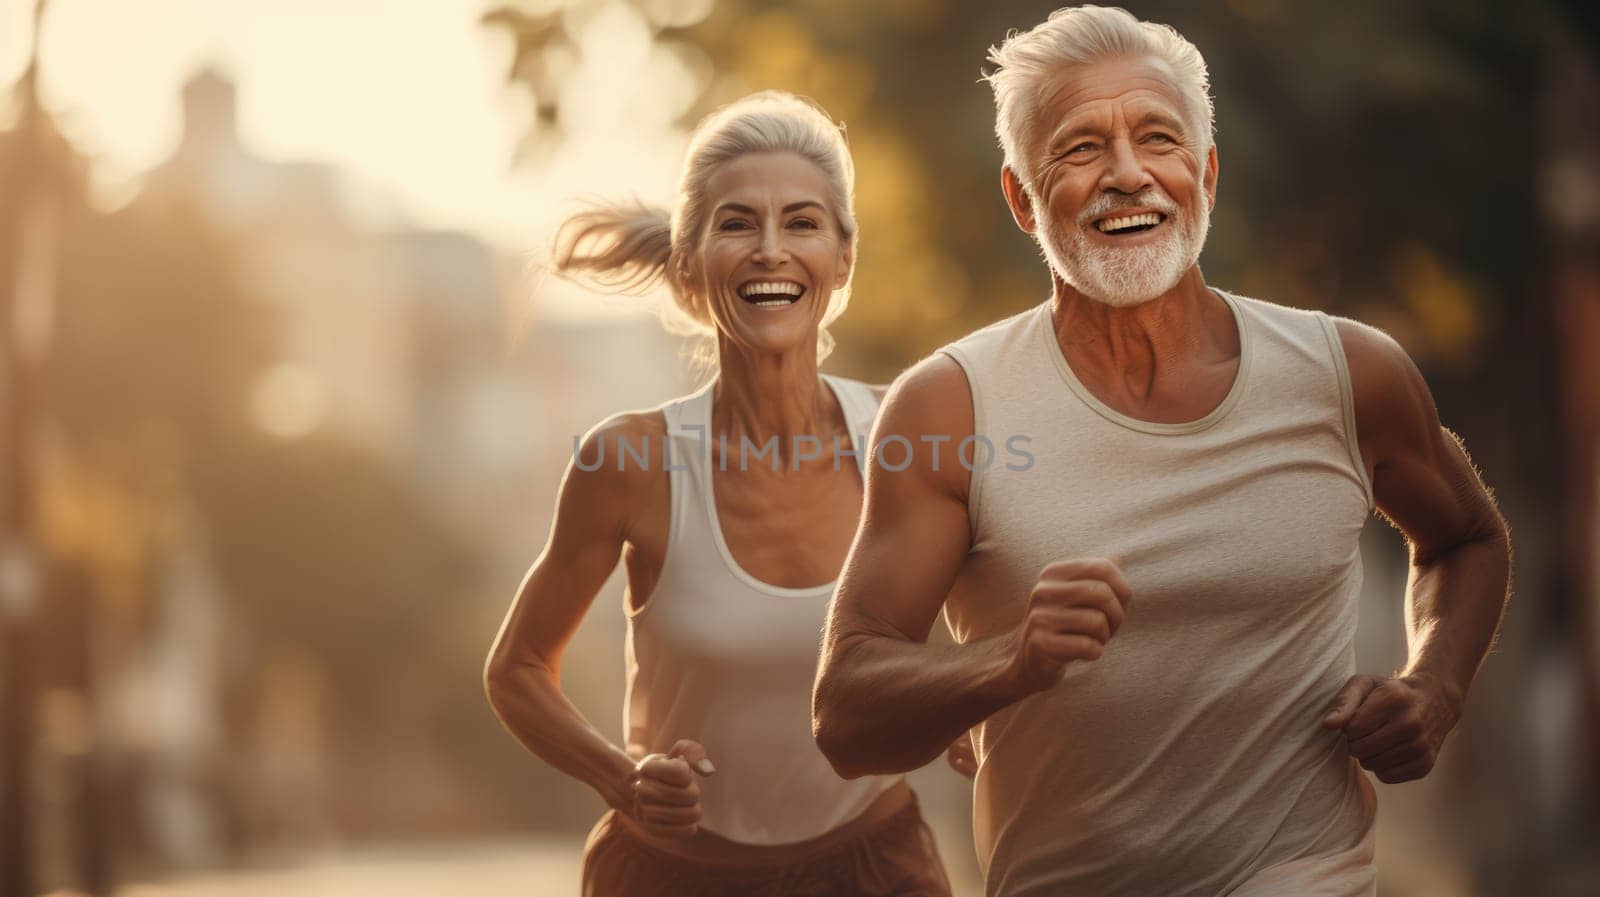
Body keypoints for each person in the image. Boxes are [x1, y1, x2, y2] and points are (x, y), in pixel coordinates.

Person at [811, 6, 1512, 897]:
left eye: (1158, 138)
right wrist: (1008, 662)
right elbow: (844, 714)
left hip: (1309, 873)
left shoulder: (1347, 374)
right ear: (1023, 197)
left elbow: (1466, 539)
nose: (1129, 175)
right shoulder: (951, 407)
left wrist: (1436, 684)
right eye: (1079, 149)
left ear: (1206, 174)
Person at [485, 91, 954, 897]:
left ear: (843, 258)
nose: (771, 249)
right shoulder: (629, 461)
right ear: (690, 265)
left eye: (802, 222)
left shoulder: (904, 435)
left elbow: (988, 620)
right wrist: (621, 776)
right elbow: (518, 667)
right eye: (737, 224)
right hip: (672, 874)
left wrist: (974, 715)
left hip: (875, 869)